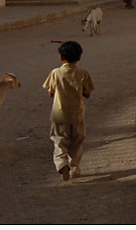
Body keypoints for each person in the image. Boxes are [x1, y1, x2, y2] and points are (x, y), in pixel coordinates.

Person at [42, 40, 95, 182]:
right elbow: (88, 93)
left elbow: (51, 92)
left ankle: (61, 164)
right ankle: (74, 169)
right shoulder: (83, 73)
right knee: (76, 144)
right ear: (79, 58)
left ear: (61, 57)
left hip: (59, 115)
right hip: (77, 115)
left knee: (59, 141)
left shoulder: (55, 73)